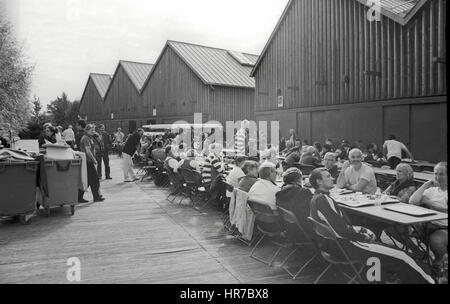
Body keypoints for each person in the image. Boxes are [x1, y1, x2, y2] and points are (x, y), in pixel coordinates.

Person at [309, 168, 434, 284]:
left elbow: (339, 226)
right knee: (402, 256)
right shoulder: (322, 200)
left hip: (334, 246)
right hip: (346, 246)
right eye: (328, 176)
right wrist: (363, 236)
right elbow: (341, 231)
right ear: (319, 181)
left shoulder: (317, 198)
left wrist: (360, 229)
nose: (332, 178)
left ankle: (386, 278)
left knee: (387, 251)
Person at [409, 162, 448, 278]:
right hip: (429, 225)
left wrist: (428, 202)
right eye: (435, 174)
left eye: (441, 174)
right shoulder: (432, 190)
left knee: (436, 241)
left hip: (444, 227)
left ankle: (438, 261)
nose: (437, 177)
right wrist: (426, 185)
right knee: (399, 229)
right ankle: (421, 256)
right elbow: (412, 201)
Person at [276, 168, 313, 241]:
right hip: (302, 231)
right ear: (299, 180)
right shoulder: (303, 192)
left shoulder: (280, 192)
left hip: (288, 228)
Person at [79, 124, 105, 202]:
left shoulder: (89, 137)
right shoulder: (86, 138)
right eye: (91, 130)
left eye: (94, 130)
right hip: (88, 161)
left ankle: (79, 197)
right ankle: (96, 197)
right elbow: (88, 151)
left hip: (87, 161)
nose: (93, 131)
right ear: (87, 130)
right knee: (95, 180)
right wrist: (94, 160)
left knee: (86, 180)